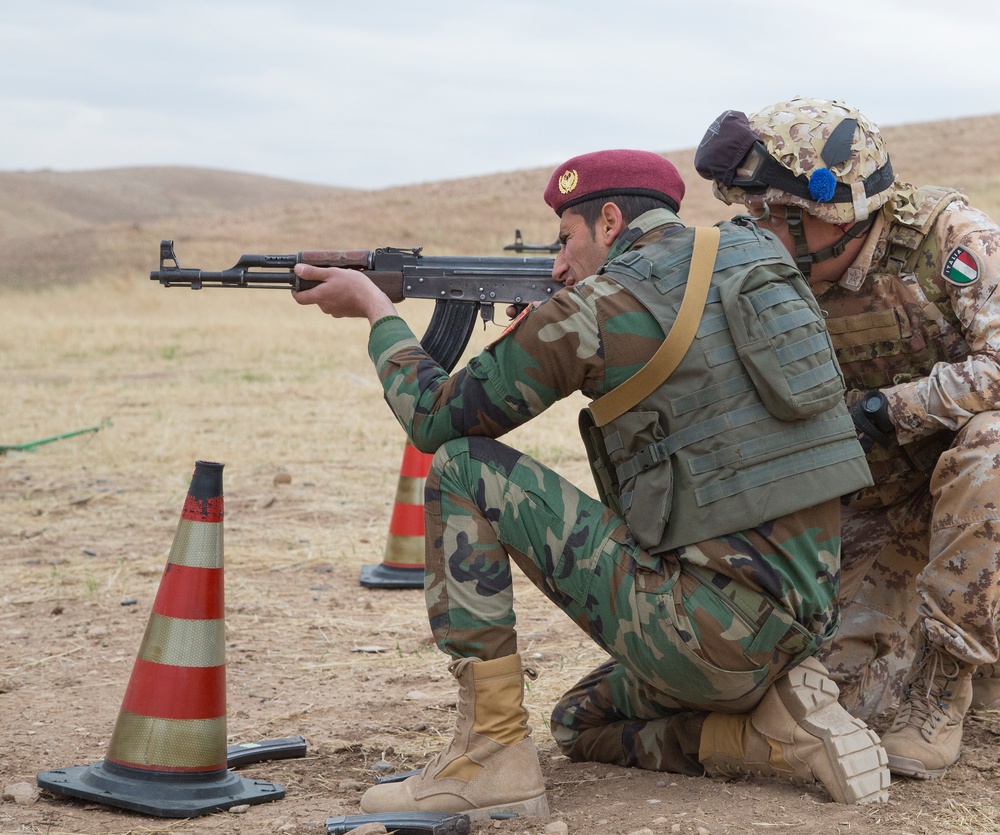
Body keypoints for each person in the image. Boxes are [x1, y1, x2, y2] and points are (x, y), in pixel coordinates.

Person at [291, 149, 889, 818]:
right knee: (579, 719)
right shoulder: (757, 256)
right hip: (802, 619)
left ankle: (489, 757)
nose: (555, 264)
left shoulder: (599, 307)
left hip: (710, 637)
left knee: (463, 468)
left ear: (609, 221)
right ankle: (763, 727)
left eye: (565, 239)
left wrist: (377, 310)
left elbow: (435, 418)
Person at [694, 96, 1000, 781]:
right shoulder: (772, 274)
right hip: (882, 507)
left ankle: (948, 682)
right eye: (759, 217)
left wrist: (885, 408)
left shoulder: (950, 238)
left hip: (975, 492)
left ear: (839, 214)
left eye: (782, 218)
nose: (765, 234)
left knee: (992, 445)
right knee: (844, 694)